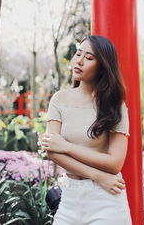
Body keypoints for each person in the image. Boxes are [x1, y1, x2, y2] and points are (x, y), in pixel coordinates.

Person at [42, 35, 132, 225]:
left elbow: (115, 163)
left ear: (103, 67)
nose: (79, 61)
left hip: (107, 199)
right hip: (70, 197)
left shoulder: (115, 106)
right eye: (78, 54)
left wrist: (66, 147)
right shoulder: (59, 100)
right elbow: (52, 151)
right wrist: (98, 176)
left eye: (89, 58)